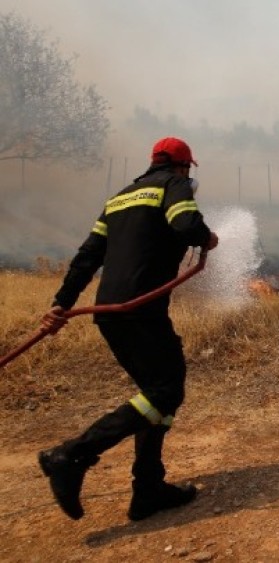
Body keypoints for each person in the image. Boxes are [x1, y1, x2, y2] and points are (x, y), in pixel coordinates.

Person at [37, 136, 219, 520]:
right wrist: (207, 237)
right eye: (187, 170)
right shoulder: (174, 184)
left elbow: (87, 257)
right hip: (140, 309)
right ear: (183, 166)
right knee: (165, 390)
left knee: (159, 394)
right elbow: (186, 223)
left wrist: (61, 304)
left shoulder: (119, 198)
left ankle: (148, 488)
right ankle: (71, 454)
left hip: (112, 311)